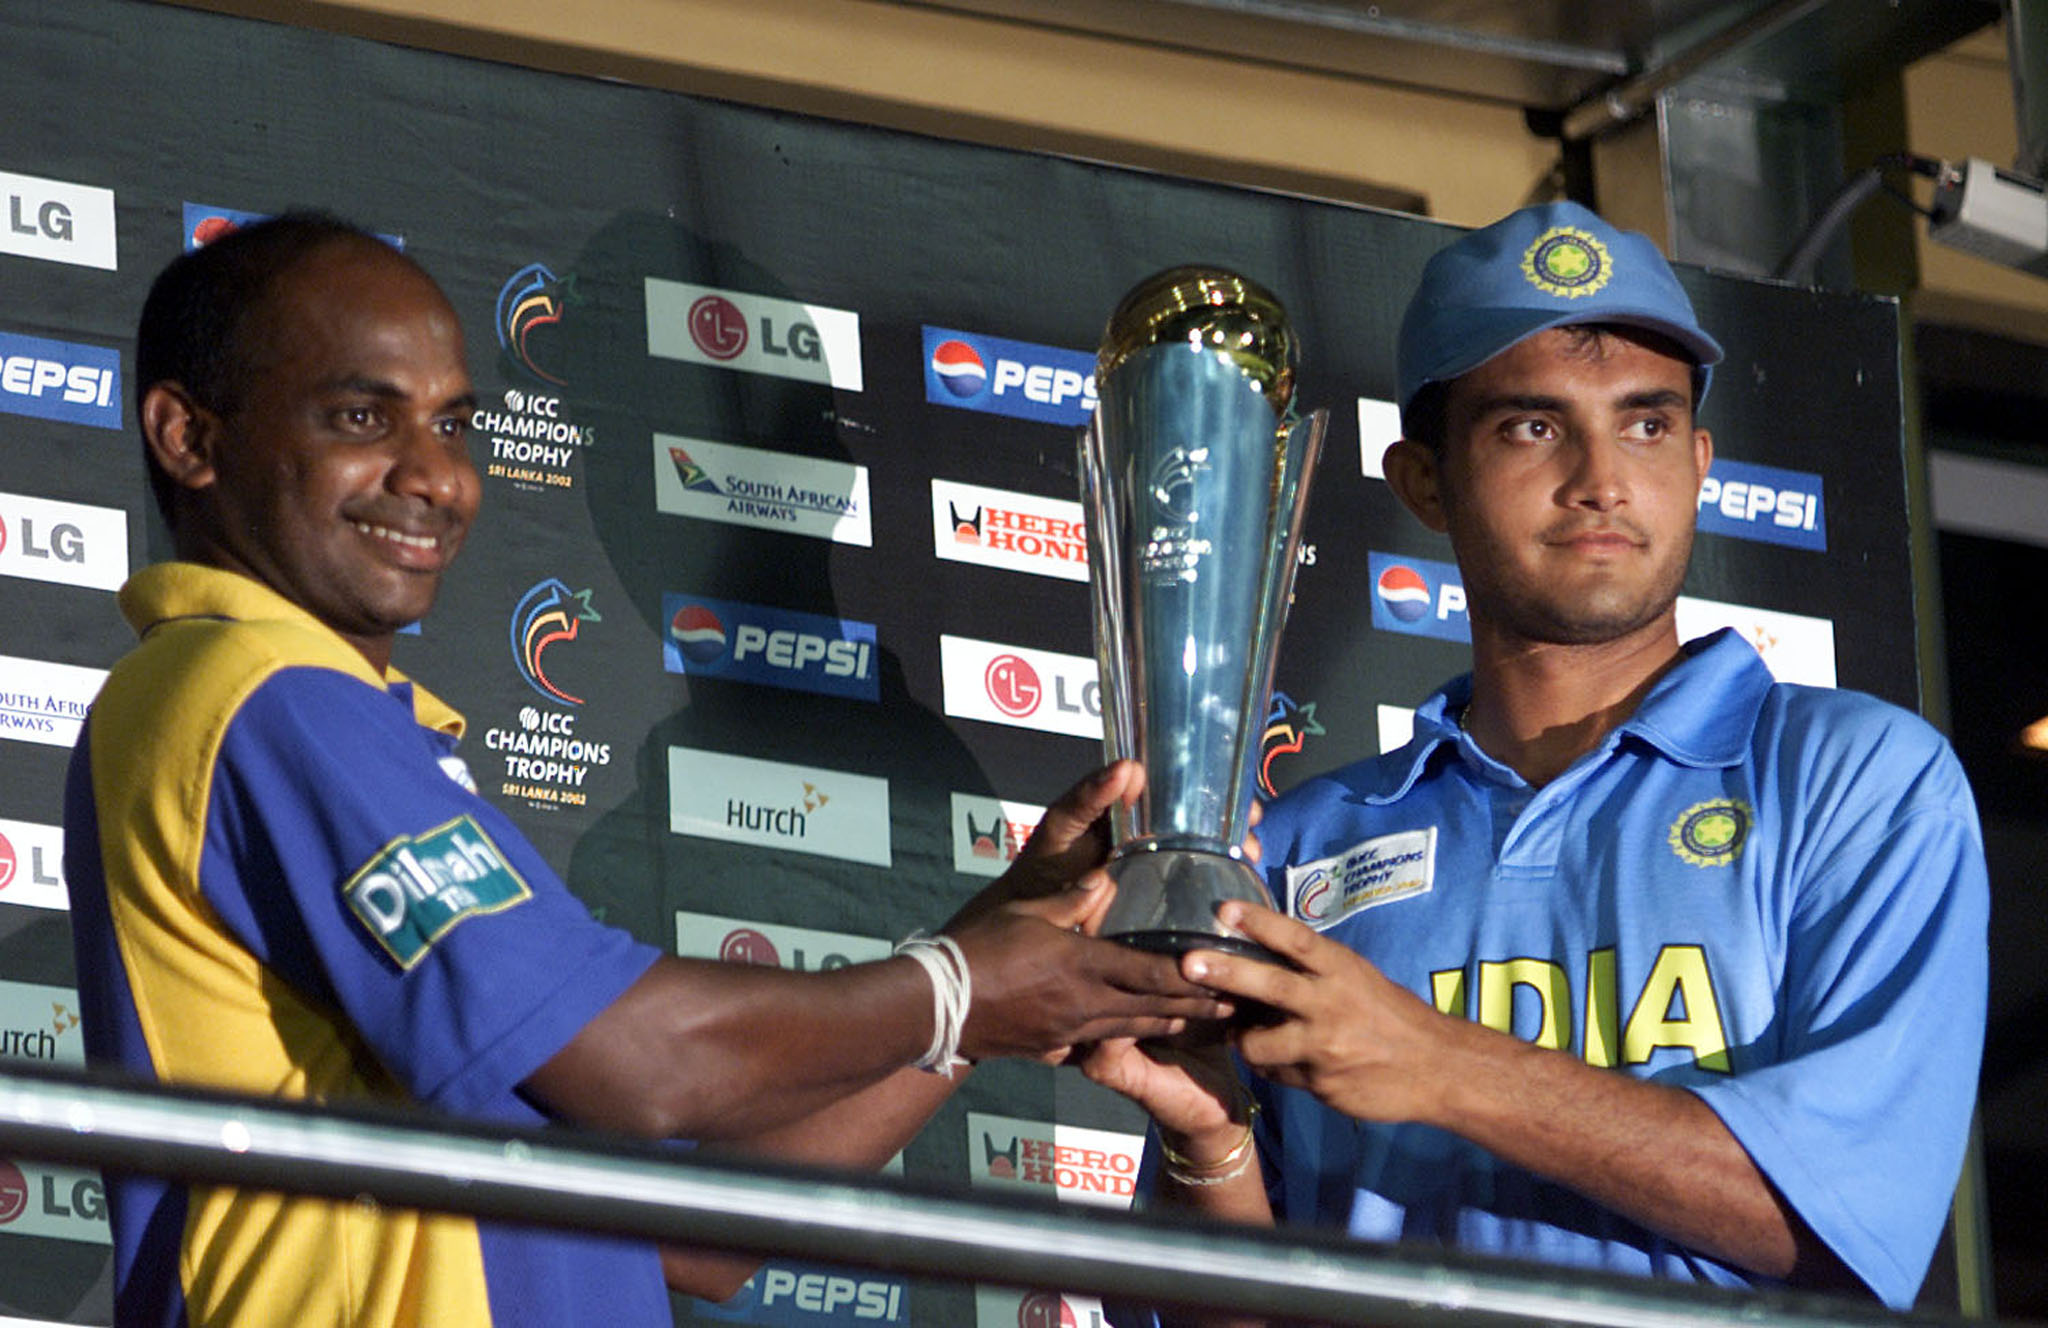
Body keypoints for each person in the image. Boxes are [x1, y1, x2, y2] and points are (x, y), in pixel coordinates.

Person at [64, 214, 1227, 1327]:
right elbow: (637, 1063)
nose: (437, 478)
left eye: (455, 425)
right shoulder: (258, 692)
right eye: (363, 417)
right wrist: (965, 982)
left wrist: (989, 981)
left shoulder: (350, 727)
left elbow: (704, 1229)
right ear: (190, 436)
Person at [1086, 201, 1988, 1311]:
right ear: (1423, 479)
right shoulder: (1289, 848)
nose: (1601, 478)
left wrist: (1436, 1062)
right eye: (1531, 426)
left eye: (1645, 425)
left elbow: (1842, 1222)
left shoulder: (1852, 778)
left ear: (1699, 461)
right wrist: (1207, 1132)